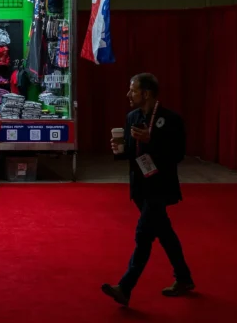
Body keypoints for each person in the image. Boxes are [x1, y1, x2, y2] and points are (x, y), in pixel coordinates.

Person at [102, 73, 194, 307]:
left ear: (147, 93)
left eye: (132, 90)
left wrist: (152, 140)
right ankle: (183, 278)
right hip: (140, 187)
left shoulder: (170, 119)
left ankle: (125, 287)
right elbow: (131, 154)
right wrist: (118, 150)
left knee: (143, 235)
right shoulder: (132, 117)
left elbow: (177, 154)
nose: (128, 95)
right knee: (164, 233)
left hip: (160, 186)